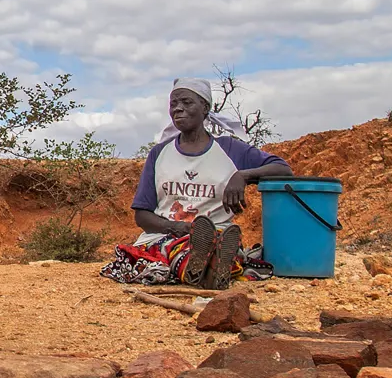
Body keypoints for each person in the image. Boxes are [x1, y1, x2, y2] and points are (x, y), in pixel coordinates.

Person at [106, 77, 292, 289]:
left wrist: (242, 176)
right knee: (174, 251)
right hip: (168, 235)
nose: (178, 109)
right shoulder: (159, 154)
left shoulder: (230, 150)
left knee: (216, 244)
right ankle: (210, 270)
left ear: (205, 108)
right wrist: (178, 227)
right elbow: (142, 215)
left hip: (218, 233)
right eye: (173, 104)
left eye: (186, 102)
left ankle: (208, 265)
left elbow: (283, 169)